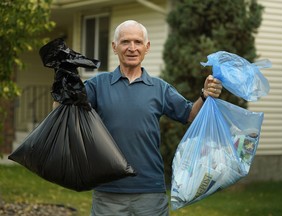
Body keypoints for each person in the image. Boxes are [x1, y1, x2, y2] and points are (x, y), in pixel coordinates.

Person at [56, 20, 222, 216]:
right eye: (125, 42)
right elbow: (62, 112)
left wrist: (205, 94)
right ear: (114, 47)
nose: (132, 48)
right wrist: (61, 84)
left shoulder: (160, 88)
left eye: (137, 42)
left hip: (150, 190)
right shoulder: (97, 85)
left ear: (147, 47)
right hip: (108, 191)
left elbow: (190, 115)